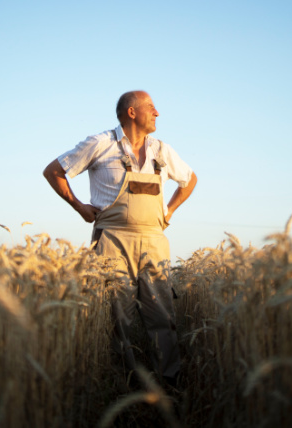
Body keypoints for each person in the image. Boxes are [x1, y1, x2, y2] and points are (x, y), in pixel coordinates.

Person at [43, 90, 197, 387]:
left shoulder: (162, 150)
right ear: (131, 112)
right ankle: (122, 387)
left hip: (154, 241)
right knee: (118, 317)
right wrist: (79, 207)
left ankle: (168, 386)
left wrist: (170, 211)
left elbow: (190, 179)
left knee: (162, 316)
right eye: (151, 108)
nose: (157, 113)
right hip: (112, 240)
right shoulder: (100, 143)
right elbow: (54, 171)